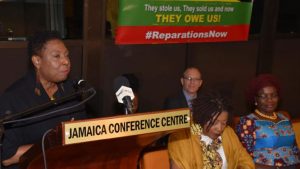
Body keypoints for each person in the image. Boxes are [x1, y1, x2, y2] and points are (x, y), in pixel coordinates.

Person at [0, 31, 87, 169]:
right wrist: (55, 145)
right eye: (57, 56)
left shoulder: (72, 90)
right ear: (37, 61)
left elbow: (83, 135)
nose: (66, 62)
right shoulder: (14, 97)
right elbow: (7, 157)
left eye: (67, 55)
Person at [168, 91, 254, 169]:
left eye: (223, 123)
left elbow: (245, 160)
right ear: (202, 117)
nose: (219, 128)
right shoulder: (181, 138)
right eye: (214, 122)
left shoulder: (228, 133)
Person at [236, 74, 300, 169]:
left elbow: (295, 150)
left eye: (273, 95)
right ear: (255, 99)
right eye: (263, 96)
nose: (269, 100)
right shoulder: (248, 122)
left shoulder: (285, 119)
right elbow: (243, 157)